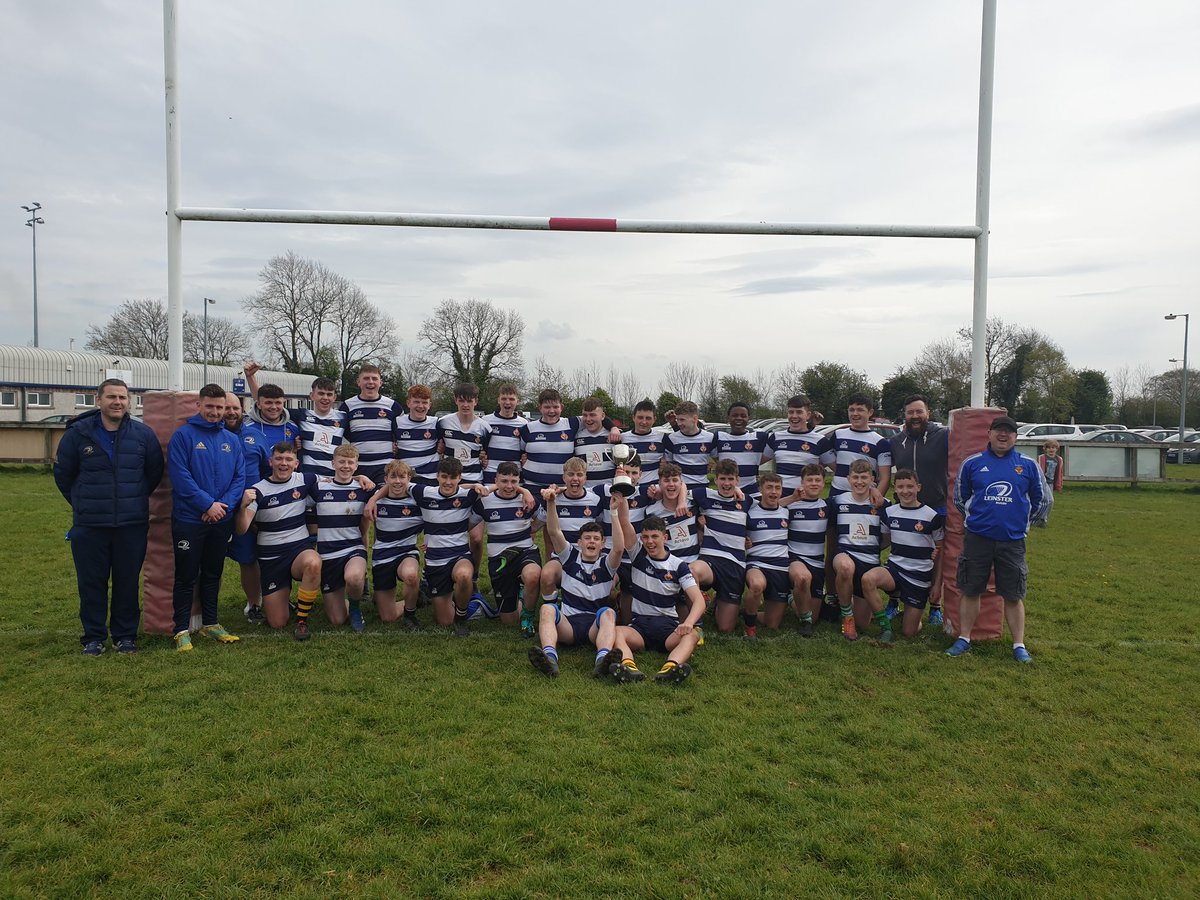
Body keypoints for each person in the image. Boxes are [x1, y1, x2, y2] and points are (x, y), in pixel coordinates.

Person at [53, 378, 164, 656]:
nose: (117, 402)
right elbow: (64, 476)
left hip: (131, 524)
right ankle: (93, 637)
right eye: (112, 397)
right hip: (90, 525)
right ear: (98, 400)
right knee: (92, 583)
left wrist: (130, 500)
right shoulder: (77, 434)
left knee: (127, 582)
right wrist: (83, 504)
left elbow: (152, 474)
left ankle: (125, 636)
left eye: (123, 398)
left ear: (129, 402)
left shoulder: (143, 435)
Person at [946, 415, 1052, 663]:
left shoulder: (1027, 465)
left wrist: (1022, 523)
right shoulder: (972, 464)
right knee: (971, 588)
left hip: (1012, 541)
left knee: (1013, 594)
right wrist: (978, 519)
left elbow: (1043, 500)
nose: (1003, 436)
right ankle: (964, 638)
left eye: (1009, 432)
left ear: (1016, 437)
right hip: (977, 539)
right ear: (989, 433)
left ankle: (1018, 645)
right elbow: (960, 498)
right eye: (998, 431)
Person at [167, 383, 245, 652]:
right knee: (186, 575)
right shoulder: (183, 436)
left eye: (219, 407)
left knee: (213, 572)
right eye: (209, 406)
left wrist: (222, 506)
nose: (214, 412)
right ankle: (180, 629)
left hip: (221, 519)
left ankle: (211, 623)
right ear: (198, 406)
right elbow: (180, 477)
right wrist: (207, 504)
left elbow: (239, 478)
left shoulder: (231, 440)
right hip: (190, 519)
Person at [528, 485, 629, 678]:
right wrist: (551, 503)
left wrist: (614, 512)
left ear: (602, 544)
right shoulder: (569, 556)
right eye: (587, 538)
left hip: (594, 627)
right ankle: (550, 658)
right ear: (579, 543)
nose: (591, 542)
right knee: (547, 609)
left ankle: (602, 660)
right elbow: (555, 531)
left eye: (596, 539)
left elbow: (618, 548)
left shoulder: (606, 563)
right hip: (568, 626)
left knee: (607, 612)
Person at [235, 442, 322, 641]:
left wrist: (360, 478)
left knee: (314, 562)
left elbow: (336, 482)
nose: (284, 464)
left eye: (289, 459)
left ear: (296, 463)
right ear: (271, 461)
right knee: (277, 623)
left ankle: (301, 620)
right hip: (271, 558)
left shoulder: (306, 479)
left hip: (299, 550)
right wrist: (241, 508)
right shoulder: (258, 491)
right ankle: (283, 600)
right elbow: (242, 529)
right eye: (279, 459)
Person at [608, 514, 706, 685]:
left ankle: (669, 669)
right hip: (639, 627)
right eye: (645, 537)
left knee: (693, 634)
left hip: (667, 629)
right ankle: (629, 668)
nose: (649, 541)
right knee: (614, 631)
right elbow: (625, 523)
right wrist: (618, 504)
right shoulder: (638, 555)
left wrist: (689, 622)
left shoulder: (678, 566)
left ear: (665, 538)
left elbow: (699, 601)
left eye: (654, 536)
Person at [861, 469, 945, 640]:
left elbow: (941, 551)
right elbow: (885, 540)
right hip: (895, 569)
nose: (905, 491)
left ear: (918, 487)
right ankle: (885, 626)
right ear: (895, 488)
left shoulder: (931, 516)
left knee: (909, 632)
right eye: (900, 487)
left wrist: (936, 585)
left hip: (919, 576)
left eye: (910, 486)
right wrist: (861, 548)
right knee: (868, 579)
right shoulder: (890, 512)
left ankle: (913, 615)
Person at [887, 393, 949, 626]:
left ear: (928, 413)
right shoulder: (895, 441)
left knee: (935, 556)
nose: (915, 416)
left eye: (919, 412)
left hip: (936, 506)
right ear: (904, 415)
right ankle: (894, 600)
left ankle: (935, 605)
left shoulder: (943, 436)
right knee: (900, 551)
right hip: (904, 508)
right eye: (910, 412)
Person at [410, 457, 488, 635]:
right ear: (437, 476)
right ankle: (475, 606)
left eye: (453, 478)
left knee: (463, 576)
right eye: (444, 477)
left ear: (460, 478)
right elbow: (398, 483)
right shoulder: (423, 492)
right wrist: (373, 494)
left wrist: (475, 485)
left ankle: (461, 617)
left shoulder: (468, 495)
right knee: (444, 621)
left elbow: (496, 488)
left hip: (459, 555)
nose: (447, 482)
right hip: (435, 562)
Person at [534, 457, 603, 629]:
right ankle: (553, 612)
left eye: (579, 475)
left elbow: (600, 529)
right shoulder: (554, 498)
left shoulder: (595, 500)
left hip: (588, 557)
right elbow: (538, 524)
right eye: (570, 474)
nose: (575, 479)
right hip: (562, 556)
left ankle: (597, 609)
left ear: (585, 478)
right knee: (547, 575)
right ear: (564, 477)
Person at [829, 458, 890, 642]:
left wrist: (872, 546)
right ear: (848, 478)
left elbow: (889, 536)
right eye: (855, 477)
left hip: (869, 562)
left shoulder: (882, 504)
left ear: (872, 478)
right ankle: (847, 616)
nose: (859, 482)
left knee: (863, 622)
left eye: (864, 477)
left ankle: (850, 603)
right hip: (844, 554)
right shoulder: (837, 501)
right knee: (846, 567)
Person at [311, 444, 371, 632]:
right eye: (342, 462)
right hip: (327, 555)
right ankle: (343, 600)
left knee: (353, 578)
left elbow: (390, 491)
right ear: (333, 463)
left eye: (350, 463)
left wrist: (363, 479)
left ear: (356, 465)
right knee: (337, 620)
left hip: (353, 549)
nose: (346, 466)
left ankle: (354, 607)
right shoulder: (319, 487)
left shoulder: (363, 488)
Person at [224, 391, 271, 625]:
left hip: (250, 509)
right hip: (216, 507)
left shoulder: (254, 436)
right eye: (226, 407)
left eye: (235, 407)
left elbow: (267, 471)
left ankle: (255, 603)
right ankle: (200, 608)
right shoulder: (211, 435)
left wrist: (259, 506)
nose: (231, 412)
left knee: (249, 557)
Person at [690, 459, 751, 635]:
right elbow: (680, 490)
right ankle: (697, 622)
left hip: (735, 566)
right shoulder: (705, 495)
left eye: (731, 479)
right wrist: (680, 504)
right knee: (692, 570)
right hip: (710, 559)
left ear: (737, 480)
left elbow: (772, 504)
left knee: (725, 628)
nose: (726, 483)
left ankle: (718, 600)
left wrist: (794, 497)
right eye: (722, 478)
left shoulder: (746, 501)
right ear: (715, 479)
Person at [477, 461, 540, 629]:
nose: (509, 486)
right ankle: (519, 595)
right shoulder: (484, 501)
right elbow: (466, 524)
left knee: (533, 576)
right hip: (499, 558)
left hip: (525, 551)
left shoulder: (528, 500)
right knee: (509, 621)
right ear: (496, 480)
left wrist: (532, 528)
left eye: (514, 482)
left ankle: (528, 615)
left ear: (519, 481)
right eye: (504, 481)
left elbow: (546, 516)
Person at [366, 461, 424, 631]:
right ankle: (414, 598)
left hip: (406, 551)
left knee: (411, 575)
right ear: (386, 479)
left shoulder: (418, 500)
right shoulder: (376, 497)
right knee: (387, 617)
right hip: (382, 556)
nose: (397, 481)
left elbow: (445, 491)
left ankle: (410, 614)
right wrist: (372, 497)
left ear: (409, 479)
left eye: (402, 477)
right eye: (393, 477)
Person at [786, 464, 832, 637]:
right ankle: (805, 623)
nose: (813, 483)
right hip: (795, 558)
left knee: (814, 616)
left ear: (823, 483)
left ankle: (789, 598)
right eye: (809, 480)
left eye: (817, 480)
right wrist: (790, 498)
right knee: (803, 577)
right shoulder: (791, 505)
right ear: (802, 482)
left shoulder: (828, 507)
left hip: (817, 562)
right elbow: (770, 507)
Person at [743, 472, 792, 636]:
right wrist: (743, 540)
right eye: (769, 487)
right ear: (760, 489)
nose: (773, 492)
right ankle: (750, 627)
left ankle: (745, 611)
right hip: (757, 564)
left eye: (777, 488)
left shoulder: (786, 513)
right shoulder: (750, 511)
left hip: (780, 567)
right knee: (757, 585)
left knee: (772, 625)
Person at [339, 364, 404, 484]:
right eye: (366, 378)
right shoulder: (347, 406)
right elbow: (343, 433)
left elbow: (401, 432)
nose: (370, 382)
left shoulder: (393, 406)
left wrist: (395, 443)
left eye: (374, 379)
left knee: (382, 501)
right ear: (358, 382)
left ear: (381, 382)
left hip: (385, 466)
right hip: (358, 466)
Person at [764, 394, 824, 493]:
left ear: (808, 415)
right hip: (779, 499)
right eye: (791, 412)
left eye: (799, 412)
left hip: (804, 500)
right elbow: (757, 461)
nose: (794, 416)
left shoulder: (820, 440)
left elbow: (834, 466)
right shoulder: (775, 437)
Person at [714, 402, 769, 499]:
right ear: (728, 418)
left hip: (752, 493)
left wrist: (754, 462)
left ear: (748, 418)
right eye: (735, 415)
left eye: (743, 415)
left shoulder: (760, 437)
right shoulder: (718, 437)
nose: (739, 418)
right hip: (726, 491)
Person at [481, 382, 529, 486]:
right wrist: (481, 457)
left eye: (511, 399)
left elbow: (525, 450)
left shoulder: (524, 424)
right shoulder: (486, 421)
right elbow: (479, 446)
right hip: (491, 474)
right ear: (498, 400)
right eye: (504, 399)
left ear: (518, 401)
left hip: (514, 477)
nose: (507, 402)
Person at [394, 383, 440, 486]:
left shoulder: (436, 423)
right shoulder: (397, 422)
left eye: (424, 402)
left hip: (430, 478)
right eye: (416, 402)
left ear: (430, 405)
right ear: (408, 403)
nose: (420, 406)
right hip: (404, 478)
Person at [663, 401, 715, 487]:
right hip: (679, 488)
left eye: (682, 420)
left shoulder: (710, 438)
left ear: (695, 419)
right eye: (677, 419)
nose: (679, 423)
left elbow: (720, 461)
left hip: (702, 488)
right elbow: (668, 466)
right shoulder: (672, 439)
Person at [621, 399, 664, 487]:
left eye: (648, 418)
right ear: (633, 417)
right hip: (629, 489)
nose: (644, 422)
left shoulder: (662, 438)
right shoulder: (622, 438)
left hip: (654, 490)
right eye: (640, 417)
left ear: (654, 419)